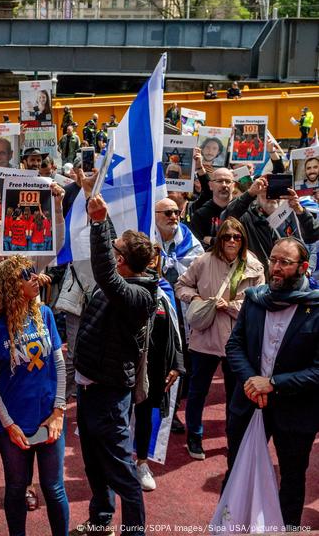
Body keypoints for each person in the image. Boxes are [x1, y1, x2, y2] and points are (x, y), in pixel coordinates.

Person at [69, 194, 157, 536]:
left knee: (122, 470)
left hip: (108, 395)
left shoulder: (138, 296)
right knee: (93, 464)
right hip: (90, 388)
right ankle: (101, 520)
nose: (112, 246)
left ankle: (134, 531)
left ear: (120, 260)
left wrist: (96, 223)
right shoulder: (124, 283)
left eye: (115, 247)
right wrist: (101, 221)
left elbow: (104, 272)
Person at [224, 237, 319, 529]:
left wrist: (274, 383)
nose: (276, 268)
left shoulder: (316, 308)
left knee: (292, 477)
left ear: (303, 267)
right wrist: (253, 381)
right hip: (249, 402)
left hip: (295, 410)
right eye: (273, 260)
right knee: (237, 469)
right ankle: (230, 525)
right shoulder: (255, 299)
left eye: (285, 263)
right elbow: (234, 345)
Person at [0, 257, 68, 536]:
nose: (34, 278)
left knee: (54, 488)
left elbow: (59, 364)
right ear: (10, 286)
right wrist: (8, 424)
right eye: (25, 275)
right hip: (12, 426)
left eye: (33, 273)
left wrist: (59, 411)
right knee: (16, 487)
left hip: (48, 419)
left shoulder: (45, 314)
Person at [174, 218, 263, 460]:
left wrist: (231, 306)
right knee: (197, 391)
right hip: (206, 336)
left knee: (236, 393)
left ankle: (233, 436)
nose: (231, 241)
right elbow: (181, 285)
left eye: (236, 237)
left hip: (237, 340)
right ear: (219, 239)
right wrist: (196, 300)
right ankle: (195, 434)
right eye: (226, 237)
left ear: (243, 239)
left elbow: (259, 301)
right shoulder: (203, 261)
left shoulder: (254, 265)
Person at [132, 250, 185, 491]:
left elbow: (175, 331)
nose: (152, 259)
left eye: (155, 255)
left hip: (153, 370)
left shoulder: (164, 290)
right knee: (117, 419)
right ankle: (116, 463)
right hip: (122, 369)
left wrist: (176, 364)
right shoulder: (119, 288)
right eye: (147, 255)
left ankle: (141, 462)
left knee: (144, 416)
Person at [222, 175, 319, 271]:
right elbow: (227, 218)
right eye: (266, 191)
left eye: (275, 191)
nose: (272, 196)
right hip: (262, 277)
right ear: (257, 194)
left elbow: (313, 236)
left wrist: (300, 211)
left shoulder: (293, 210)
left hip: (293, 276)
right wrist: (250, 193)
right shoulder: (247, 217)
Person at [189, 168, 235, 247]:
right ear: (210, 185)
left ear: (234, 186)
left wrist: (212, 240)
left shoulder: (242, 210)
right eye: (219, 181)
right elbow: (196, 245)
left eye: (227, 181)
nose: (224, 185)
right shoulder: (201, 214)